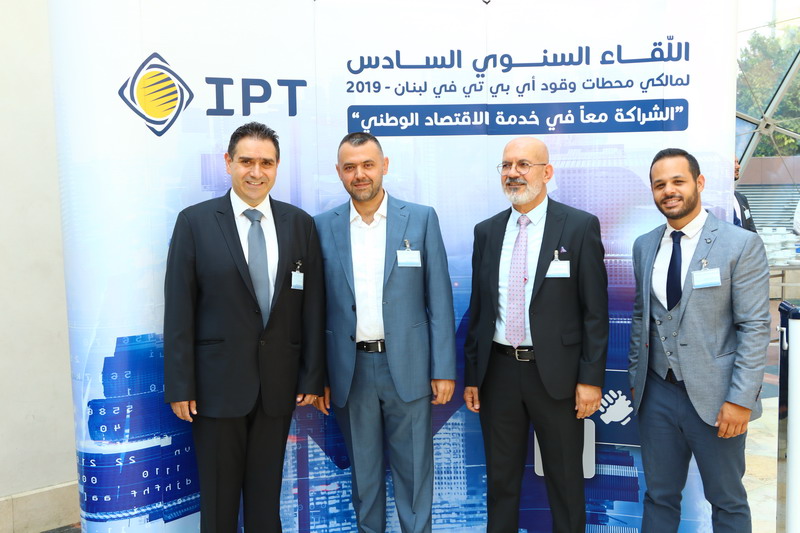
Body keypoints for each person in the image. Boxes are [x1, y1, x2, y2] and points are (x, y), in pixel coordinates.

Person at [163, 122, 325, 532]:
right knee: (219, 506)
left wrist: (311, 376)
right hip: (215, 390)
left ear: (277, 167)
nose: (256, 172)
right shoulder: (195, 222)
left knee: (265, 503)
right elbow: (179, 309)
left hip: (277, 387)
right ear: (228, 163)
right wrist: (180, 385)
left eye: (266, 163)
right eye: (246, 161)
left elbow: (311, 307)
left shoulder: (299, 224)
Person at [313, 132, 456, 533]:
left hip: (409, 368)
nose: (360, 174)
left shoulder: (421, 219)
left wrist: (443, 369)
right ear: (339, 172)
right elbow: (315, 310)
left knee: (414, 479)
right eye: (350, 167)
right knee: (365, 482)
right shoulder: (321, 227)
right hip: (351, 371)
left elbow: (439, 299)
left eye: (368, 165)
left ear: (384, 166)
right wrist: (318, 375)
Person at [463, 136, 608, 533]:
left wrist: (590, 379)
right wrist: (474, 376)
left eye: (524, 164)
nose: (513, 173)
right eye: (507, 165)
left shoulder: (578, 227)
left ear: (547, 172)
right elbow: (479, 310)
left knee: (565, 481)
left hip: (557, 376)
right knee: (501, 482)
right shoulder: (487, 231)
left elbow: (595, 313)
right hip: (498, 373)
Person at [628, 148, 770, 532]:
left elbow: (755, 327)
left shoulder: (740, 244)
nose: (668, 191)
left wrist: (740, 400)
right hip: (656, 394)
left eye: (678, 181)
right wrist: (636, 377)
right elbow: (642, 316)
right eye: (660, 184)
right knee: (659, 496)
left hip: (718, 398)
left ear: (699, 183)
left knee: (727, 500)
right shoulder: (644, 245)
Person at [733, 156, 757, 232]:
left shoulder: (742, 198)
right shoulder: (716, 200)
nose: (738, 166)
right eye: (734, 163)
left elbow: (751, 230)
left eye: (738, 162)